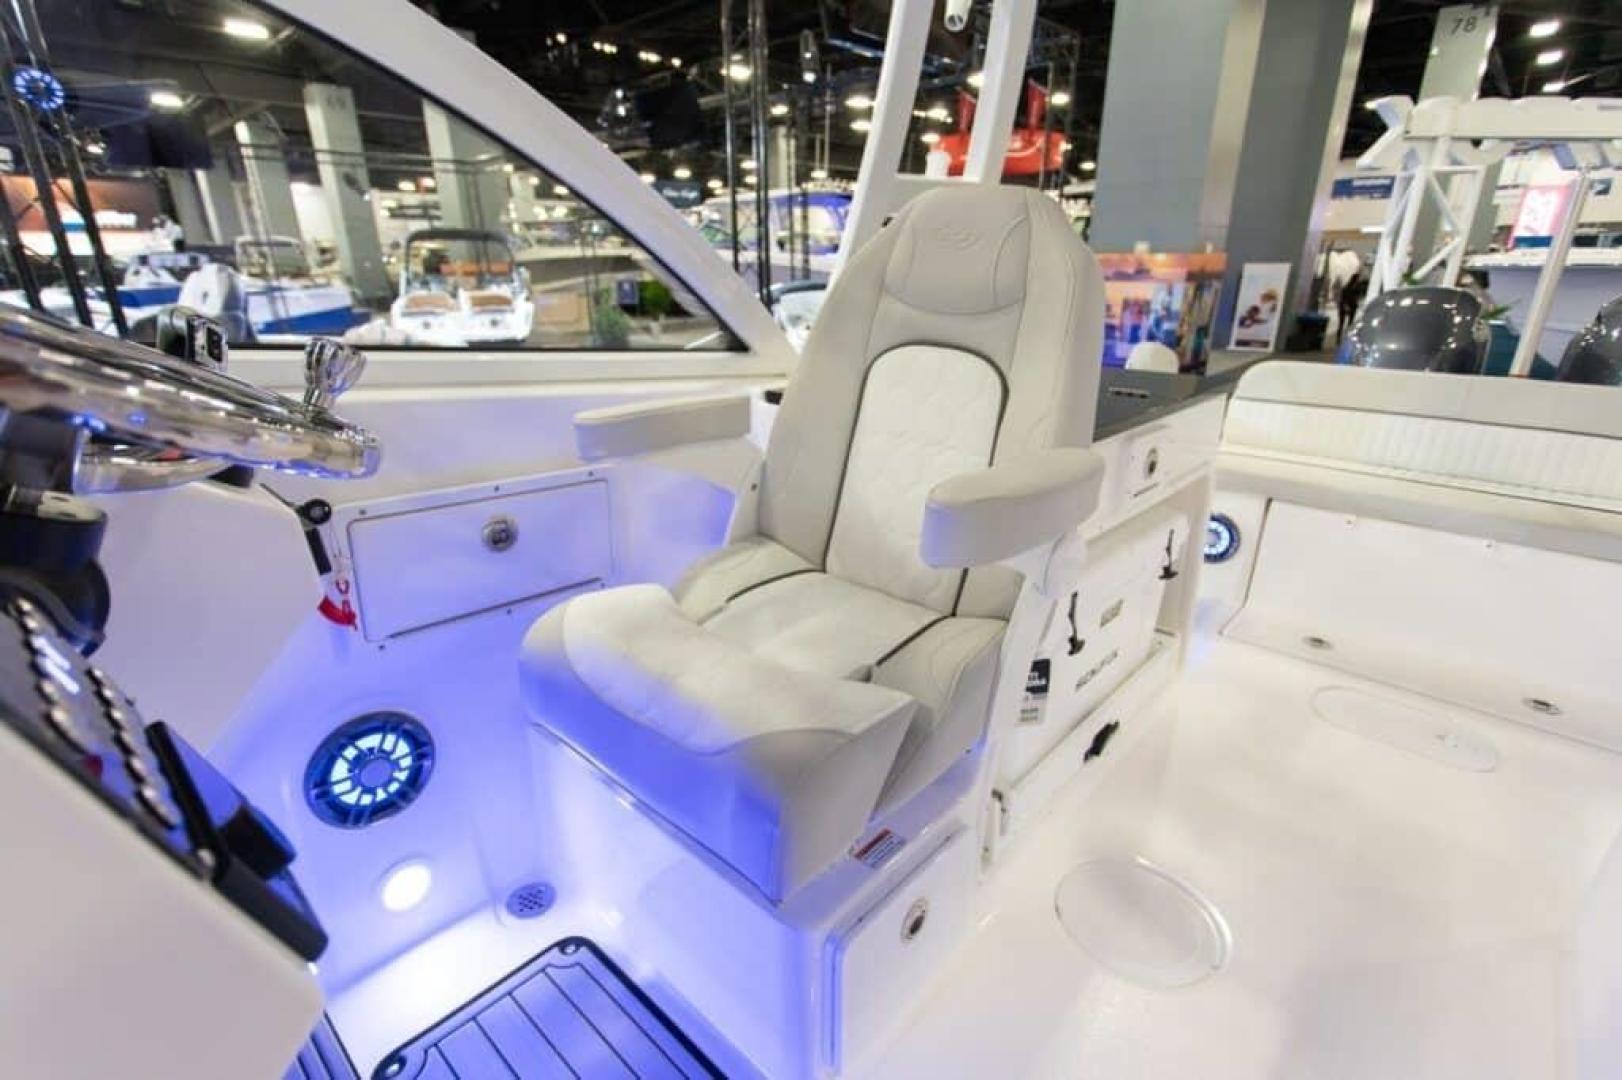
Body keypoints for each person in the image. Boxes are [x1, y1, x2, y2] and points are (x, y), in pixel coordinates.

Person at [1337, 268, 1368, 345]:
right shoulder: (1347, 288)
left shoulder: (1357, 288)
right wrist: (1345, 305)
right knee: (1341, 323)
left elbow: (1358, 297)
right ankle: (1338, 338)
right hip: (1344, 306)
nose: (1358, 281)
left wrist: (1357, 303)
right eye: (1357, 279)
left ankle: (1346, 338)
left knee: (1350, 323)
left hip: (1352, 306)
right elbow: (1343, 298)